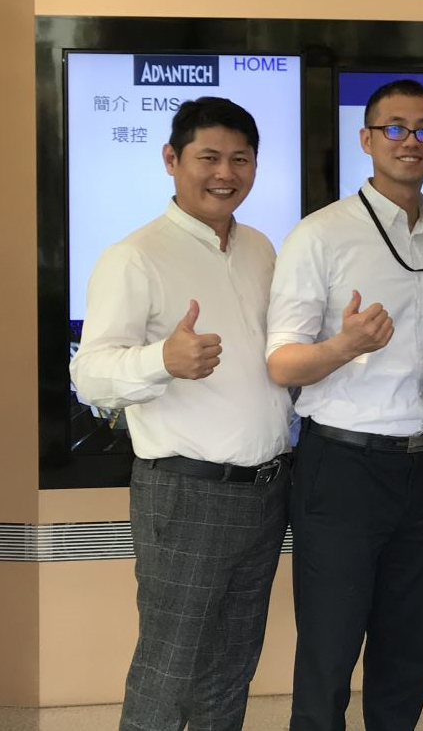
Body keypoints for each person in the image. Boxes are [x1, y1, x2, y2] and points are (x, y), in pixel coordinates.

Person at [71, 97, 292, 731]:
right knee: (169, 670)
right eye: (209, 157)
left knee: (231, 668)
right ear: (172, 159)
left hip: (266, 489)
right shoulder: (135, 255)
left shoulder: (260, 247)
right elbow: (89, 375)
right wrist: (161, 360)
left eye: (240, 159)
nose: (225, 173)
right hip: (187, 491)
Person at [265, 79, 423, 731]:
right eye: (394, 127)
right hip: (342, 466)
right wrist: (344, 346)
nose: (410, 140)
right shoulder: (319, 235)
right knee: (330, 648)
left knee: (408, 648)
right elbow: (281, 363)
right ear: (366, 139)